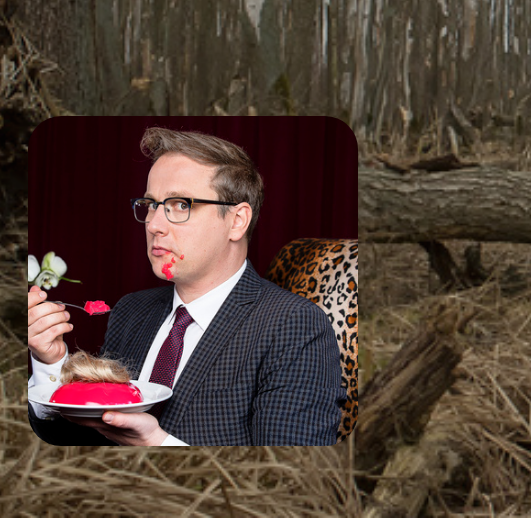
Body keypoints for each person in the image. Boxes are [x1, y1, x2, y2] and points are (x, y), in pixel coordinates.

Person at [26, 127, 344, 446]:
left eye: (180, 205)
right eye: (151, 204)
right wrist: (51, 361)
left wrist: (156, 443)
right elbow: (81, 436)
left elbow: (286, 470)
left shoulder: (294, 325)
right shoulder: (131, 311)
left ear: (237, 221)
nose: (153, 224)